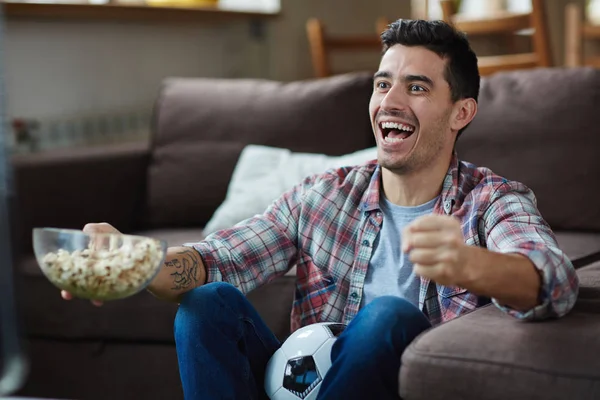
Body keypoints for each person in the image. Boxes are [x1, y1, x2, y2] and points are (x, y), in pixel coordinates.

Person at [64, 19, 579, 400]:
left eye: (416, 87)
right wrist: (134, 262)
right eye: (383, 83)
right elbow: (217, 259)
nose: (390, 101)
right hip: (300, 387)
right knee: (207, 303)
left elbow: (554, 282)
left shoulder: (491, 201)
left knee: (386, 317)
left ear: (461, 112)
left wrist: (472, 264)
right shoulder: (323, 196)